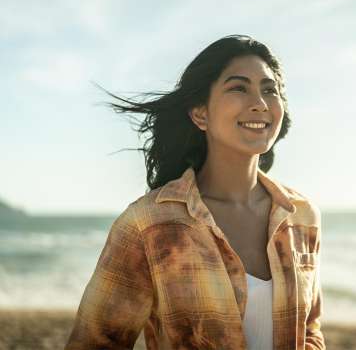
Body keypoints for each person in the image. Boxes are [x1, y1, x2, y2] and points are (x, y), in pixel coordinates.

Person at [64, 34, 326, 349]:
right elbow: (96, 341)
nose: (259, 103)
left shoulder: (301, 215)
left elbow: (310, 329)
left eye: (270, 90)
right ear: (200, 114)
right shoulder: (148, 223)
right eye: (238, 88)